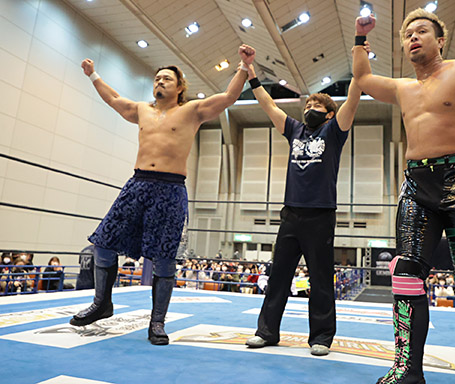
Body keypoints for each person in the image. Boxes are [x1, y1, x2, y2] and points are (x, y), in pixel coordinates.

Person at [353, 8, 455, 384]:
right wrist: (360, 37)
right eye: (407, 34)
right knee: (405, 273)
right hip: (416, 184)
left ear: (440, 40)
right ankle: (407, 369)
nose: (413, 37)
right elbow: (362, 78)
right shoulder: (402, 88)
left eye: (422, 31)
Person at [69, 44, 256, 346]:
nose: (160, 82)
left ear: (180, 87)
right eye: (157, 78)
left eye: (167, 78)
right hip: (138, 183)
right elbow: (114, 99)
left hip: (170, 188)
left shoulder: (192, 111)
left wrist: (244, 67)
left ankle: (157, 322)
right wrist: (93, 75)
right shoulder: (142, 110)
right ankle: (102, 302)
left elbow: (228, 97)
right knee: (103, 243)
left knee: (164, 258)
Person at [243, 54, 361, 357]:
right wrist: (251, 73)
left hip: (321, 214)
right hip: (291, 213)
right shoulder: (295, 129)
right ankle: (266, 332)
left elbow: (352, 99)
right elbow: (269, 105)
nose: (309, 108)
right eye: (307, 104)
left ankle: (321, 337)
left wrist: (359, 60)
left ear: (330, 114)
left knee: (321, 280)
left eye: (317, 105)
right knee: (278, 276)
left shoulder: (334, 131)